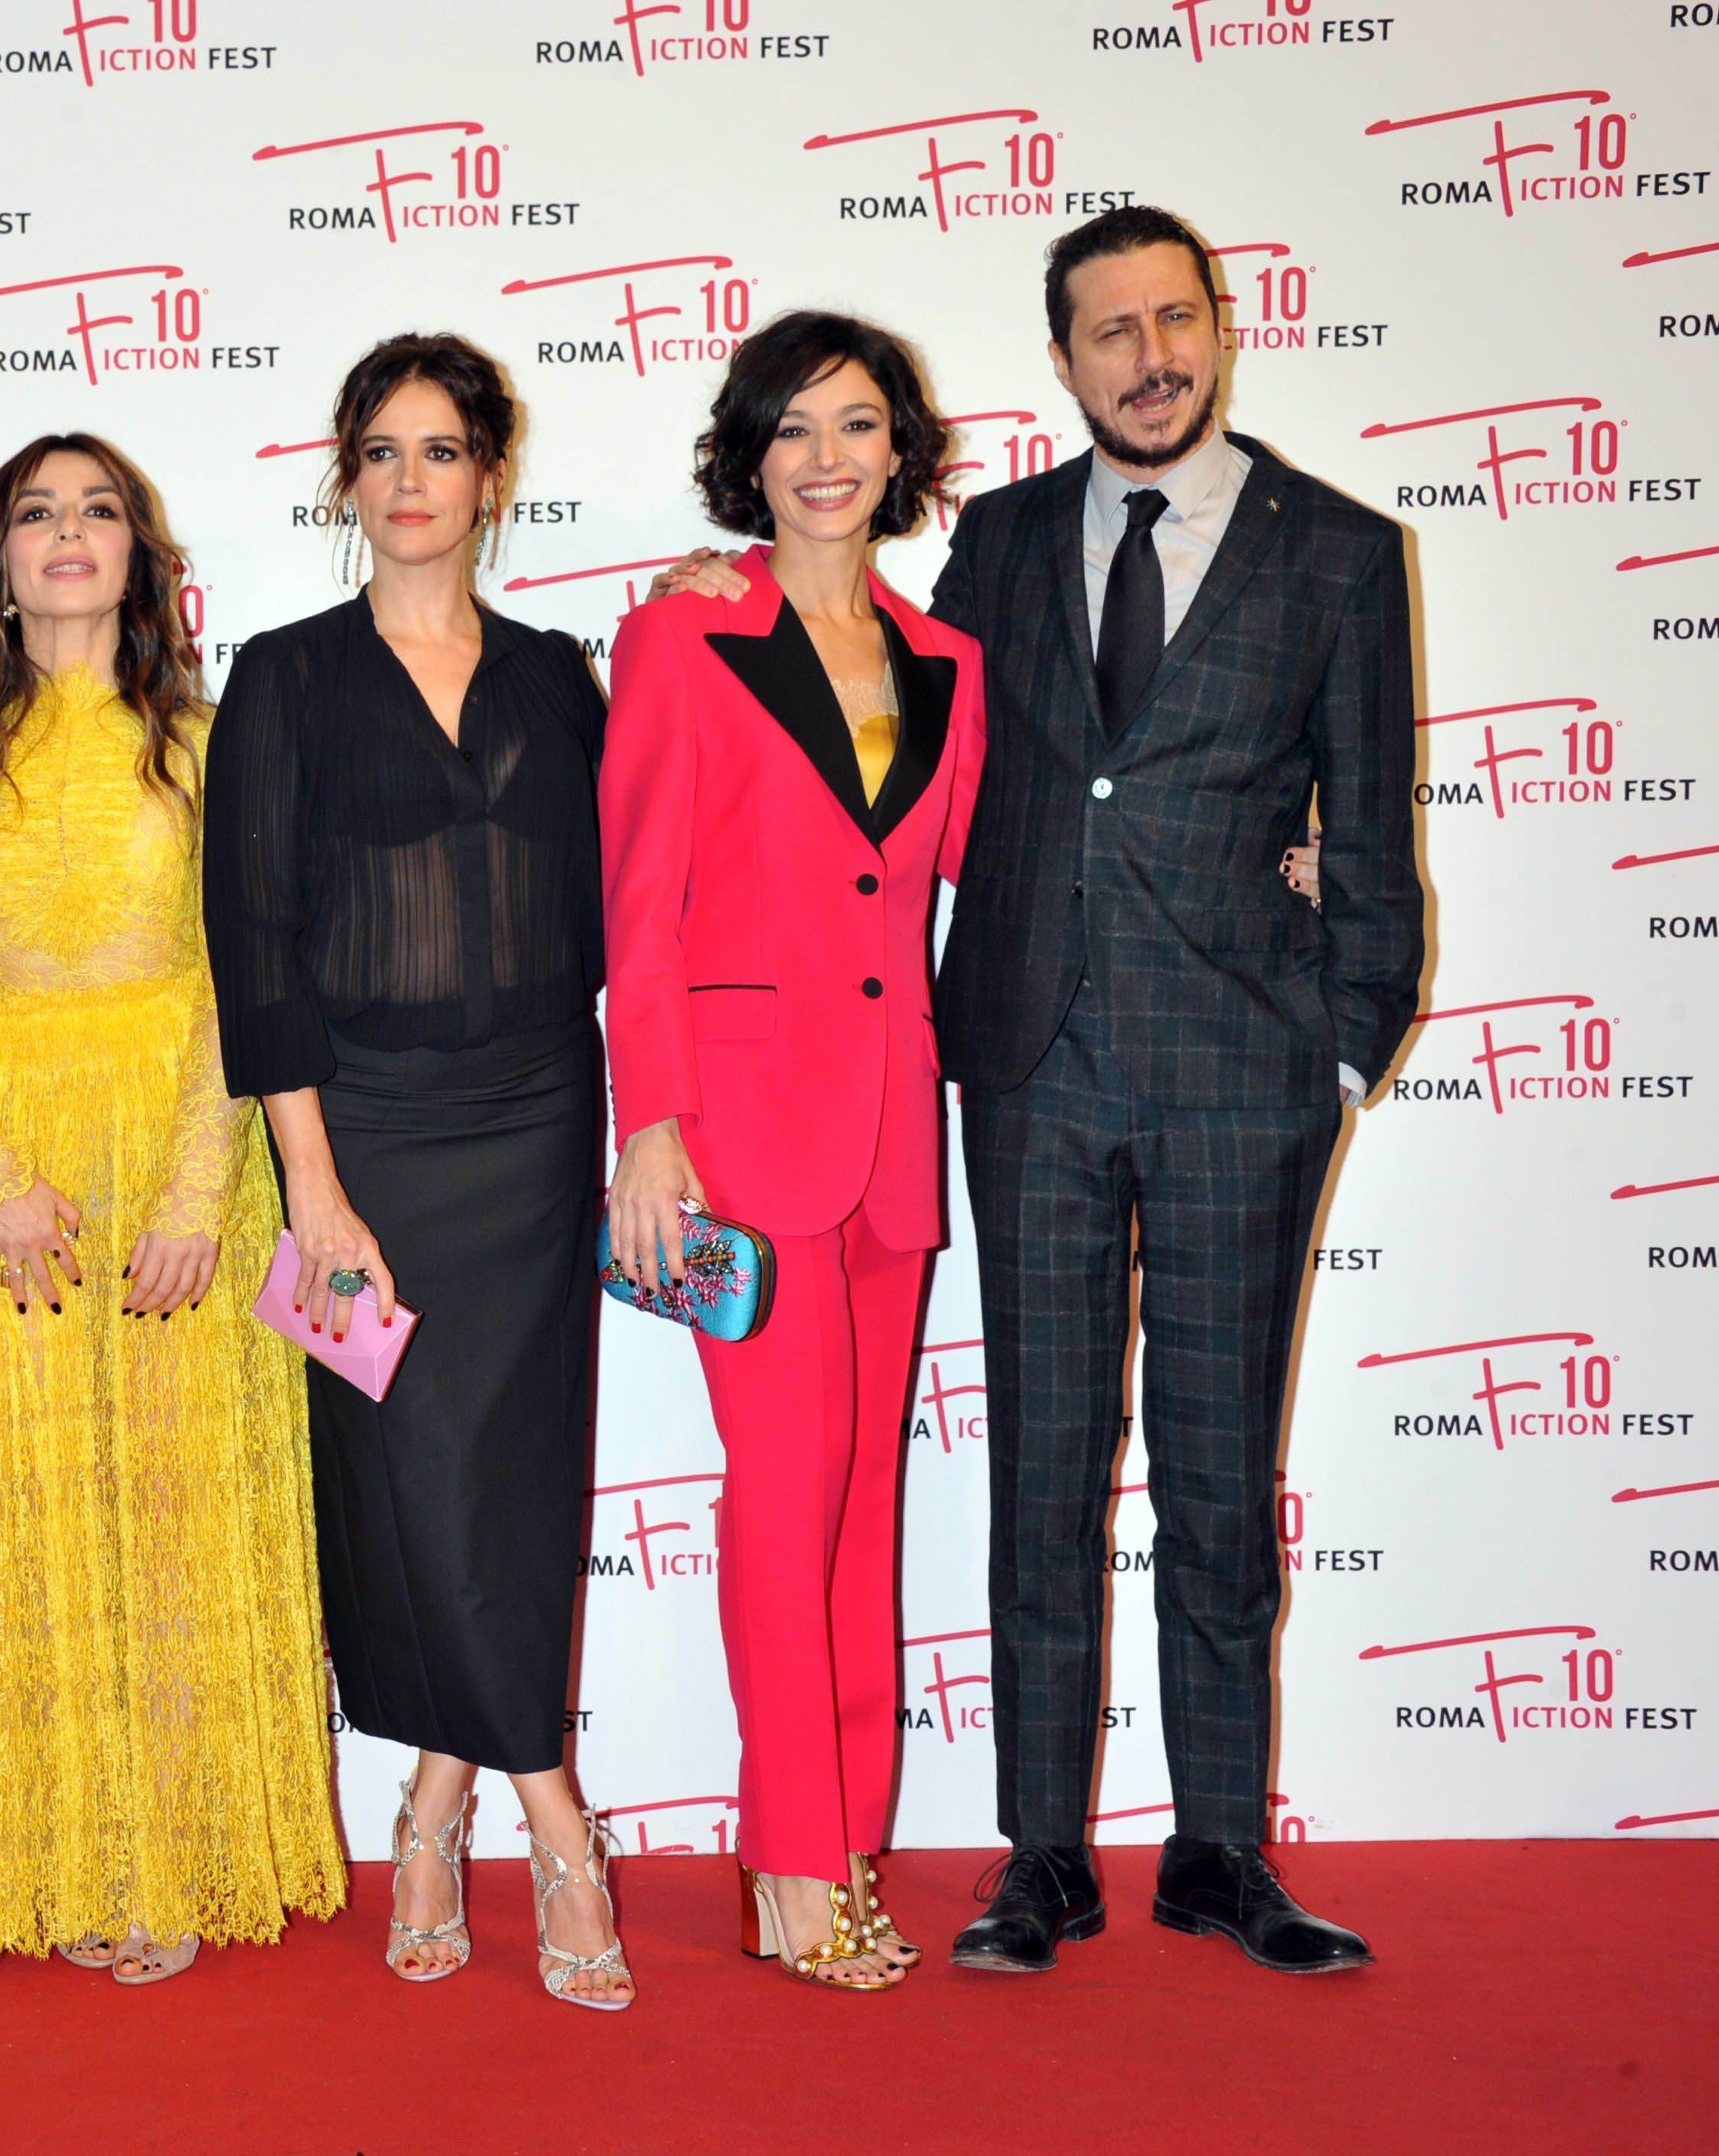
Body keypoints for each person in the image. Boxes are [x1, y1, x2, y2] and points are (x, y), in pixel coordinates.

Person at [655, 206, 1422, 1976]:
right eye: (1110, 331)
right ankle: (1042, 1858)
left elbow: (1374, 833)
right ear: (1063, 360)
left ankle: (1221, 1850)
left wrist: (1334, 1046)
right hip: (1025, 1072)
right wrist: (728, 586)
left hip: (1242, 1079)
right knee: (1041, 1481)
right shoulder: (994, 545)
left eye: (1175, 320)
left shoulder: (1338, 553)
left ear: (1219, 327)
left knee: (1220, 1481)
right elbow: (867, 727)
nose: (1150, 358)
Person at [0, 435, 345, 1985]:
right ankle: (57, 1853)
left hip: (182, 1159)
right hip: (0, 1176)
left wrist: (201, 1188)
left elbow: (241, 973)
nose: (67, 534)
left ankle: (175, 1858)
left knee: (177, 1513)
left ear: (139, 556)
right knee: (26, 1517)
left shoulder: (207, 746)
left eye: (97, 512)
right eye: (37, 513)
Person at [203, 333, 630, 2011]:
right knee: (416, 1486)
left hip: (539, 1122)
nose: (408, 481)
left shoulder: (557, 675)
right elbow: (255, 951)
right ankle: (555, 1818)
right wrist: (310, 1189)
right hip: (364, 1136)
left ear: (490, 477)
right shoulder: (285, 677)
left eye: (440, 450)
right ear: (343, 479)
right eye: (378, 451)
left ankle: (441, 1805)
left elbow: (630, 890)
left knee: (515, 1482)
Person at [601, 313, 985, 1991]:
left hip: (894, 1131)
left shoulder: (950, 661)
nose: (827, 458)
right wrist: (650, 1129)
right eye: (794, 428)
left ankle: (847, 1842)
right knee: (781, 1493)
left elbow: (987, 861)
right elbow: (639, 900)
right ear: (749, 458)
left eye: (858, 425)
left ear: (901, 450)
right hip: (739, 1140)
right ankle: (791, 1860)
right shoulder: (681, 637)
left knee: (862, 1505)